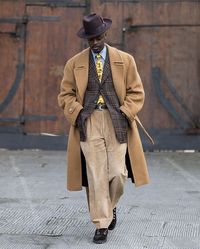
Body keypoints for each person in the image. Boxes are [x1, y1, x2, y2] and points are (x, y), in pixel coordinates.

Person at [58, 13, 153, 244]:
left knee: (118, 173)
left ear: (105, 34)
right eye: (90, 39)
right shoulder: (74, 63)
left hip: (116, 121)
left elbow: (136, 92)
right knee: (96, 174)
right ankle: (101, 223)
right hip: (89, 123)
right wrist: (78, 113)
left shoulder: (125, 60)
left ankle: (110, 206)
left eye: (98, 37)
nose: (94, 43)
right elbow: (66, 95)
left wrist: (125, 112)